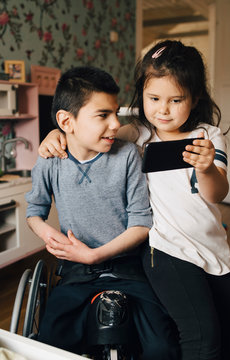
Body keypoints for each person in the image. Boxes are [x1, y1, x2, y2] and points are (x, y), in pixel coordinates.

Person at [38, 41, 230, 360]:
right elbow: (92, 134)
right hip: (166, 249)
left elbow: (217, 194)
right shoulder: (139, 134)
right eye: (154, 98)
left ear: (195, 98)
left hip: (215, 248)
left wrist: (205, 168)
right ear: (142, 96)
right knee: (202, 338)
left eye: (176, 100)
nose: (163, 109)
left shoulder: (208, 136)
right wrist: (57, 134)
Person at [26, 66, 179, 358]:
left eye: (115, 114)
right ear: (66, 122)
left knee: (161, 346)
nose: (114, 124)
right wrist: (50, 236)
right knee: (51, 342)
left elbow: (141, 221)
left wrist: (96, 254)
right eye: (102, 115)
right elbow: (35, 211)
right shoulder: (50, 160)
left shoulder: (127, 155)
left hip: (128, 269)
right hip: (77, 272)